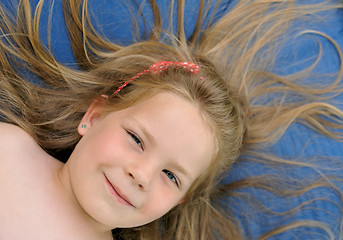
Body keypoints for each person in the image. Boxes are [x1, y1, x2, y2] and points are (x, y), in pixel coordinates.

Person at [0, 0, 342, 239]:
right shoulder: (10, 150)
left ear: (180, 201)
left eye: (171, 176)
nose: (142, 176)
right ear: (95, 114)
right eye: (136, 140)